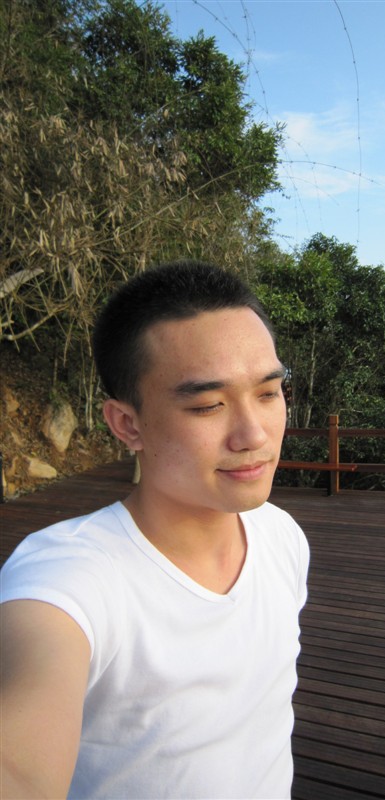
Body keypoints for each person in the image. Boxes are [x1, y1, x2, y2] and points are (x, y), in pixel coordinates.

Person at [1, 260, 309, 800]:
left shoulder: (282, 537)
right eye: (208, 405)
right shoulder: (71, 579)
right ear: (127, 424)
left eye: (268, 393)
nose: (253, 434)